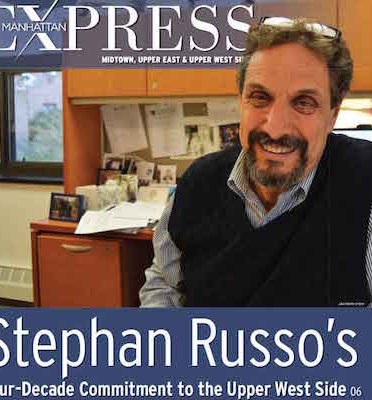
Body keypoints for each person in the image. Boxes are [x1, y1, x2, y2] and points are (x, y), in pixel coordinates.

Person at [139, 18, 372, 307]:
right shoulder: (196, 185)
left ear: (332, 116)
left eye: (303, 102)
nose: (275, 128)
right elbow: (164, 285)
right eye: (260, 97)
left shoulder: (364, 184)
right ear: (241, 101)